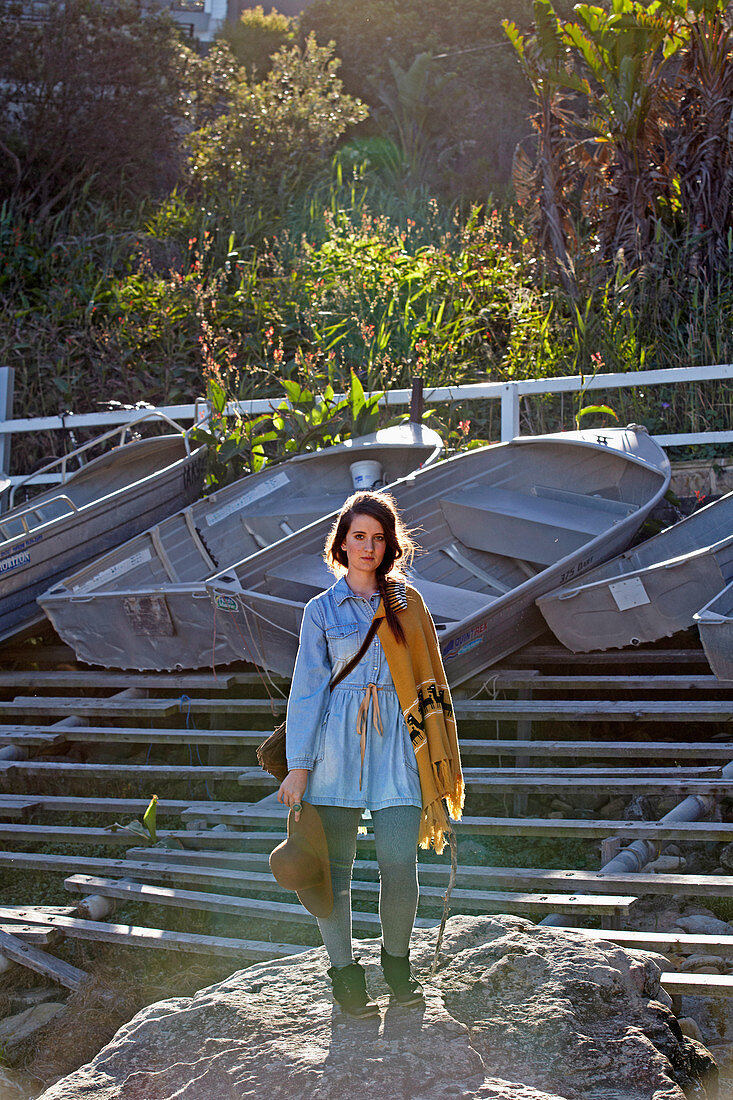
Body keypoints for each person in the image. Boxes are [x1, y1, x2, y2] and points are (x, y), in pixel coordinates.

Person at [277, 490, 464, 1018]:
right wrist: (298, 767)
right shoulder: (319, 611)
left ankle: (397, 964)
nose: (370, 547)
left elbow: (432, 678)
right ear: (342, 541)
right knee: (331, 872)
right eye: (359, 536)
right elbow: (308, 690)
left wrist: (437, 758)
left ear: (390, 545)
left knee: (400, 867)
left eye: (379, 538)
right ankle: (343, 973)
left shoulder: (408, 603)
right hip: (334, 747)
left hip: (399, 749)